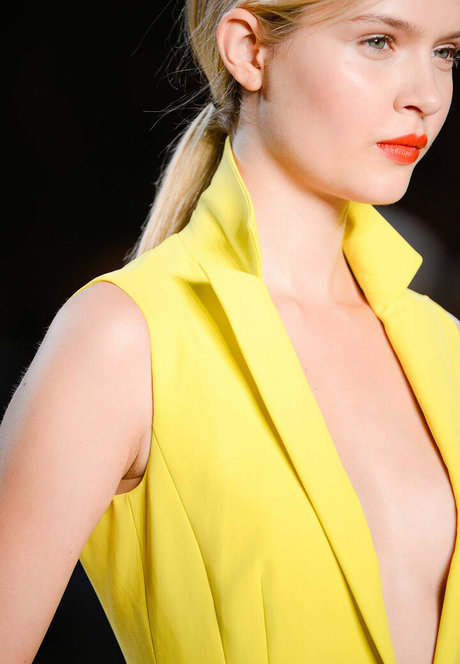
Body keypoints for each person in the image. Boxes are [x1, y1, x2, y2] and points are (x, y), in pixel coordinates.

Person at [1, 0, 459, 662]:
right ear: (248, 48)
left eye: (446, 52)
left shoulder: (445, 345)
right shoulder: (125, 340)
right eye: (379, 41)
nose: (427, 97)